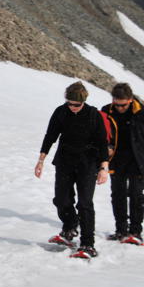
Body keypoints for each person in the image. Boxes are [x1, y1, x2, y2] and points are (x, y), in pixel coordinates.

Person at [35, 81, 109, 257]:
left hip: (87, 164)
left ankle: (88, 244)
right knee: (61, 199)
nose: (73, 107)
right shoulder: (61, 112)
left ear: (83, 101)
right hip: (64, 161)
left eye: (76, 104)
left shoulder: (93, 115)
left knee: (84, 203)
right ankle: (69, 228)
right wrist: (41, 160)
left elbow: (101, 142)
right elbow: (50, 135)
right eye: (70, 103)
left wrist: (103, 167)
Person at [101, 83, 144, 245]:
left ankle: (135, 231)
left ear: (130, 100)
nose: (120, 108)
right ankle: (121, 230)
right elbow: (99, 136)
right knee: (118, 195)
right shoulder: (106, 111)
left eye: (123, 105)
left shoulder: (142, 113)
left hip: (140, 161)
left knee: (136, 195)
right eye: (117, 104)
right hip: (116, 160)